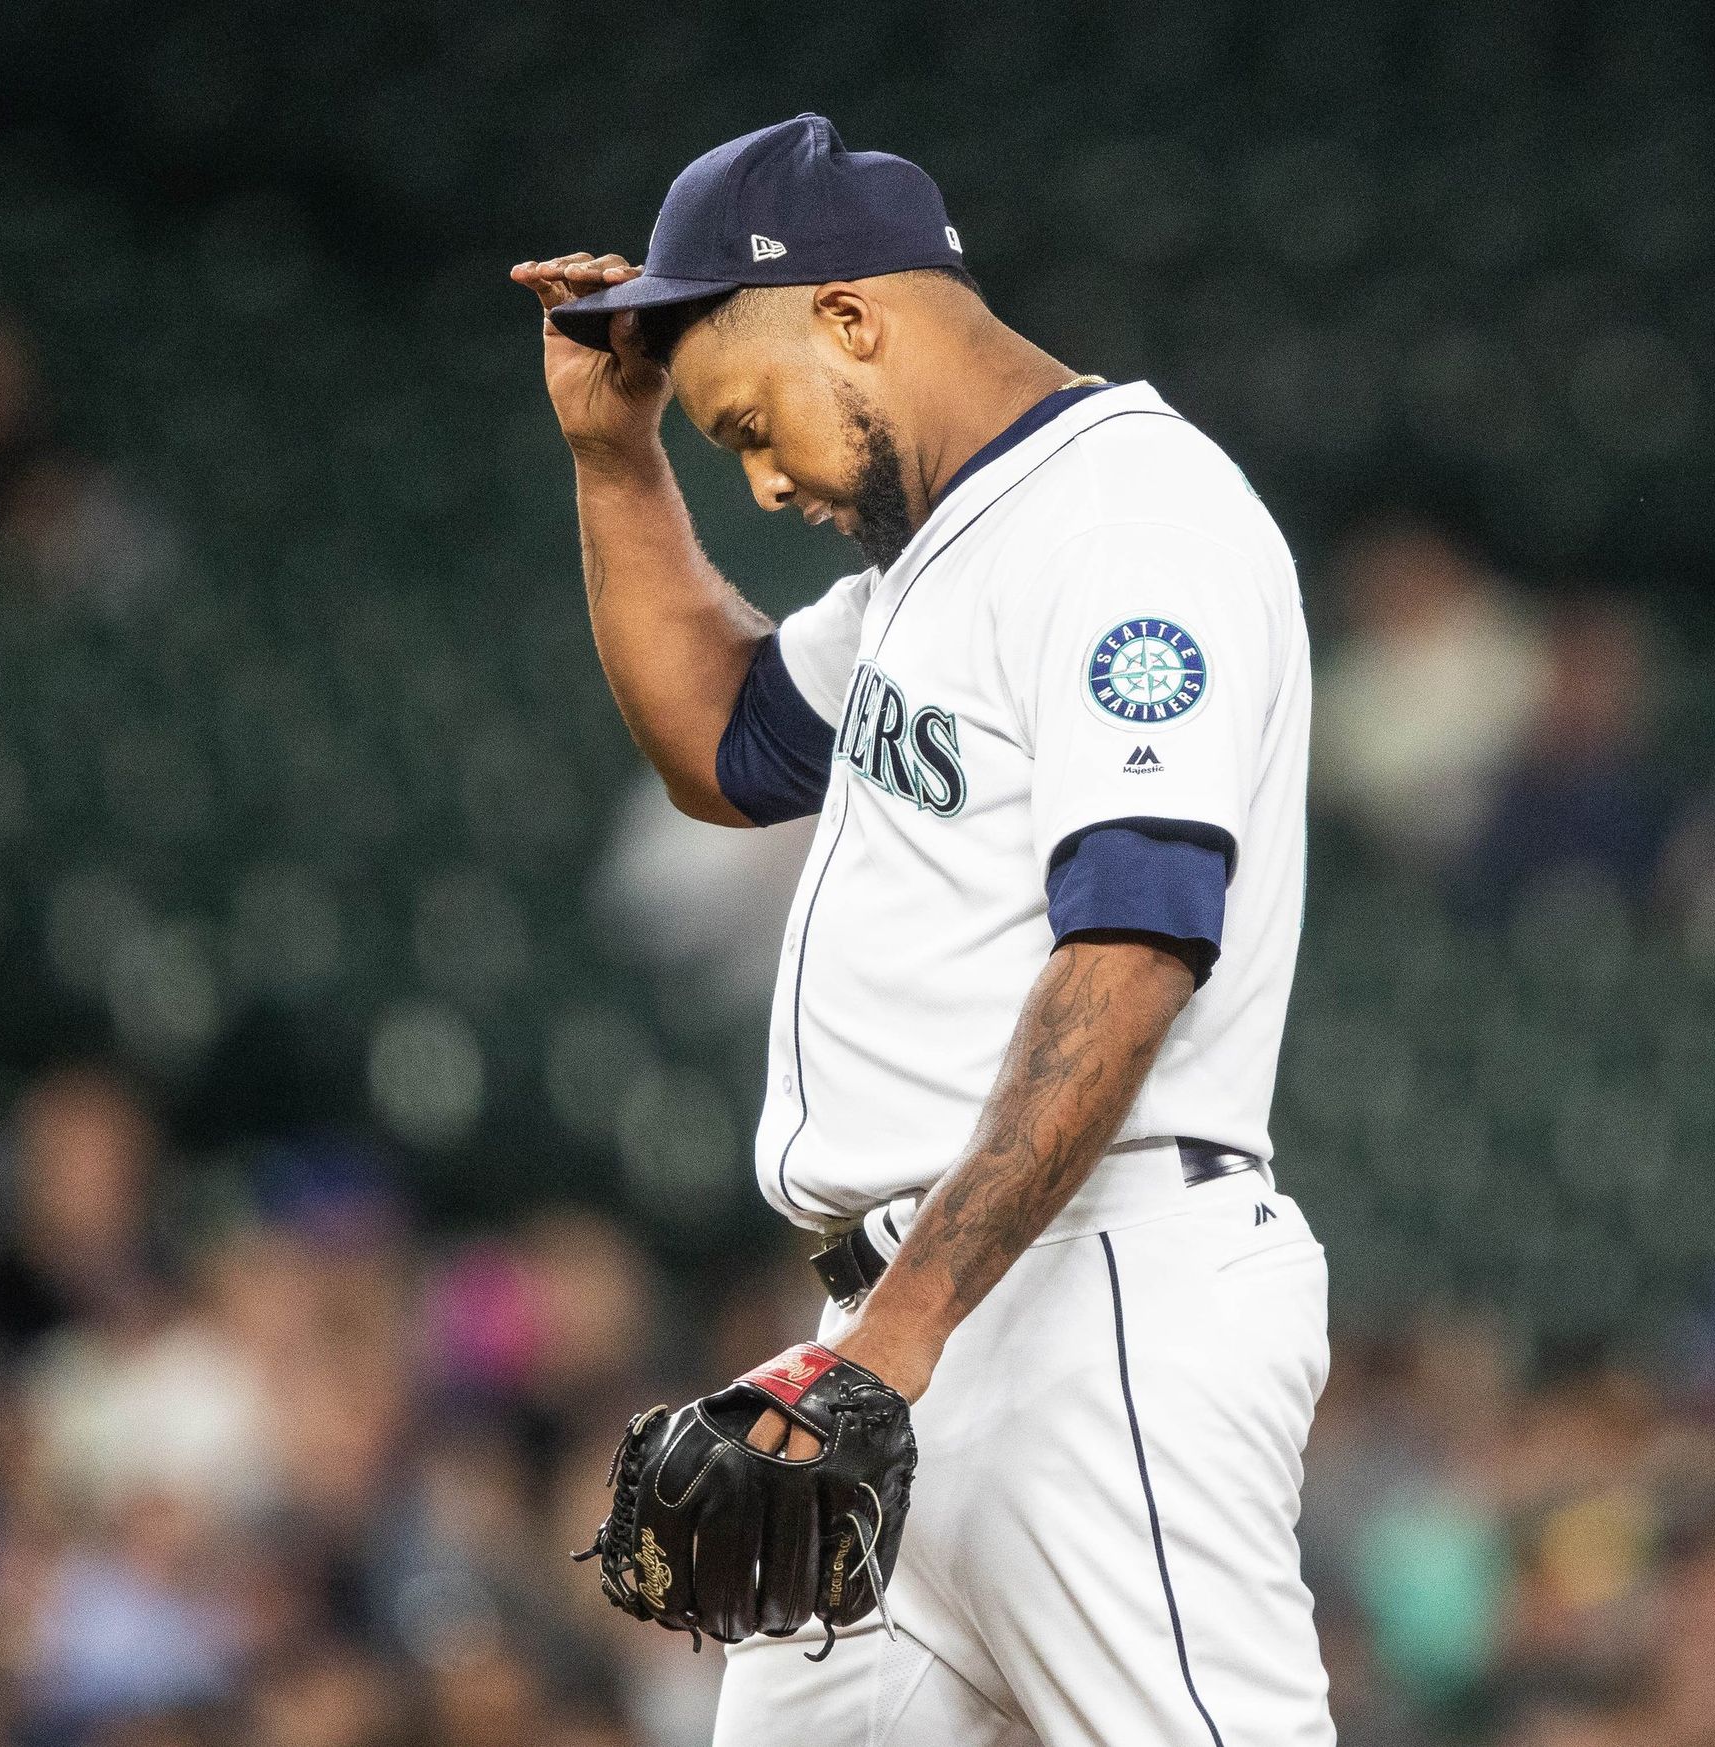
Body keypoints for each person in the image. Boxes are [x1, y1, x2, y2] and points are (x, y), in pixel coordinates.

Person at [513, 115, 1331, 1744]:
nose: (756, 476)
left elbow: (1131, 954)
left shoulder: (1128, 527)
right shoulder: (944, 556)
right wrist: (619, 456)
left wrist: (891, 1347)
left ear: (850, 316)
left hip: (1091, 1306)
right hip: (909, 1330)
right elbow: (726, 745)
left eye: (751, 423)